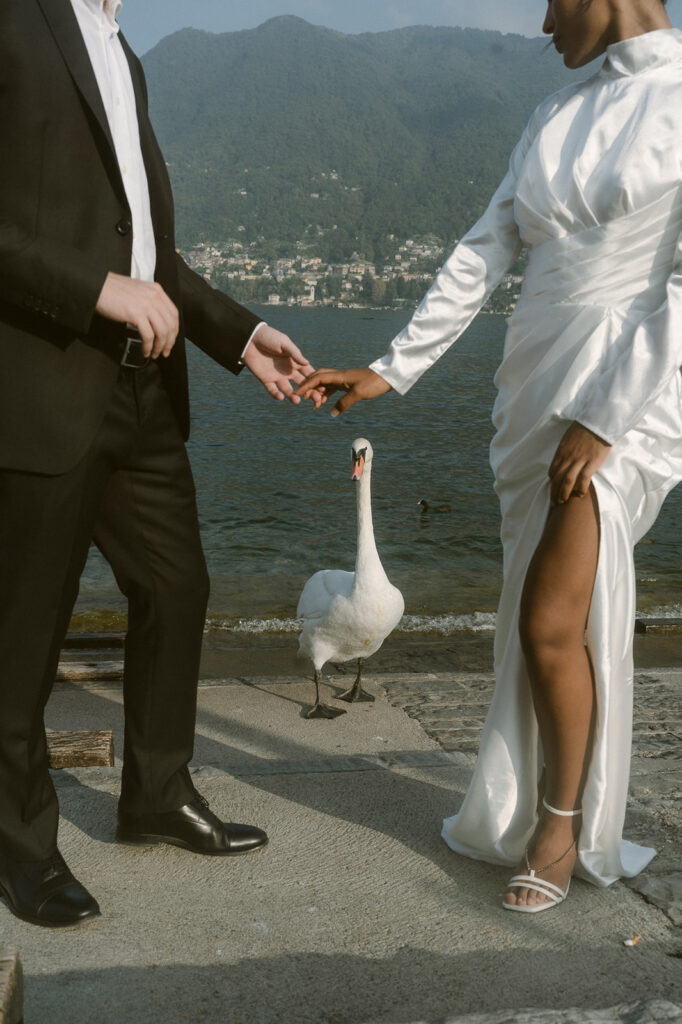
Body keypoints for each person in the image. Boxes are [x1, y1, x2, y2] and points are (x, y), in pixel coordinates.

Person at [298, 0, 681, 913]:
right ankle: (530, 808)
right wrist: (393, 369)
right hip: (533, 383)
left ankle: (559, 829)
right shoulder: (553, 113)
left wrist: (607, 415)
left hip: (632, 389)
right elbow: (485, 250)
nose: (544, 20)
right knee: (538, 618)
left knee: (553, 621)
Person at [0, 0, 322, 929]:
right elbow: (96, 265)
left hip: (144, 391)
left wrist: (244, 336)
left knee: (177, 587)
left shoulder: (124, 53)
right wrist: (95, 290)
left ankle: (156, 795)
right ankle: (20, 846)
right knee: (23, 635)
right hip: (42, 384)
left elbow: (143, 252)